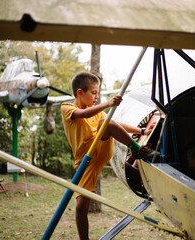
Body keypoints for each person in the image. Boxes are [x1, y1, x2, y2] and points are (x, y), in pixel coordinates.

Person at [61, 72, 159, 240]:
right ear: (79, 92)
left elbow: (115, 124)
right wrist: (108, 103)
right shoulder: (67, 108)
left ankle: (136, 149)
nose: (96, 97)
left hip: (101, 147)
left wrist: (141, 131)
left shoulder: (98, 115)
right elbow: (83, 114)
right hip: (86, 161)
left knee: (105, 122)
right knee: (80, 208)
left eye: (98, 93)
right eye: (93, 93)